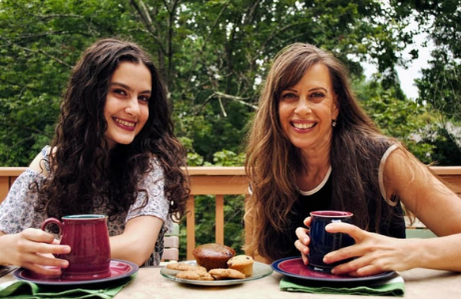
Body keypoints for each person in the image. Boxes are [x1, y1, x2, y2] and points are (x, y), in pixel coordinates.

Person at [243, 42, 461, 276]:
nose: (302, 109)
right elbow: (261, 268)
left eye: (316, 95)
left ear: (336, 106)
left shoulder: (383, 159)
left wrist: (407, 252)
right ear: (275, 107)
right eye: (289, 96)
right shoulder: (266, 174)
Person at [0, 38, 190, 276]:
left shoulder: (150, 165)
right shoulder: (49, 163)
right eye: (120, 92)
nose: (134, 109)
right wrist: (8, 249)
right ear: (90, 95)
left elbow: (135, 248)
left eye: (143, 98)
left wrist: (49, 251)